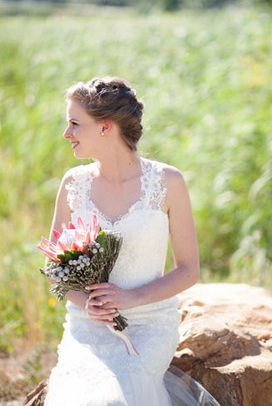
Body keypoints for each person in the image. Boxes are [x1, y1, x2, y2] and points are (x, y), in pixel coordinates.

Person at [44, 77, 220, 405]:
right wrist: (89, 304)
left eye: (74, 124)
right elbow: (53, 267)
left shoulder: (167, 182)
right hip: (88, 328)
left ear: (106, 127)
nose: (67, 134)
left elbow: (188, 270)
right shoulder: (73, 184)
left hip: (149, 324)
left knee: (116, 398)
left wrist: (131, 297)